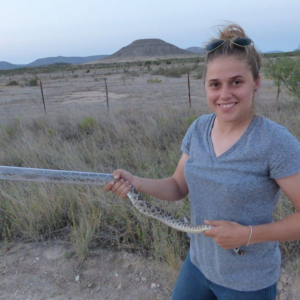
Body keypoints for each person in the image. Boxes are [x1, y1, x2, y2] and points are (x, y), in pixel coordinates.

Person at [104, 23, 300, 300]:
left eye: (236, 82)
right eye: (215, 85)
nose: (224, 95)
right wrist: (135, 183)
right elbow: (176, 186)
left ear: (256, 83)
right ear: (206, 88)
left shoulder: (275, 141)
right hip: (198, 267)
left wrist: (247, 234)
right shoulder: (198, 129)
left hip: (248, 282)